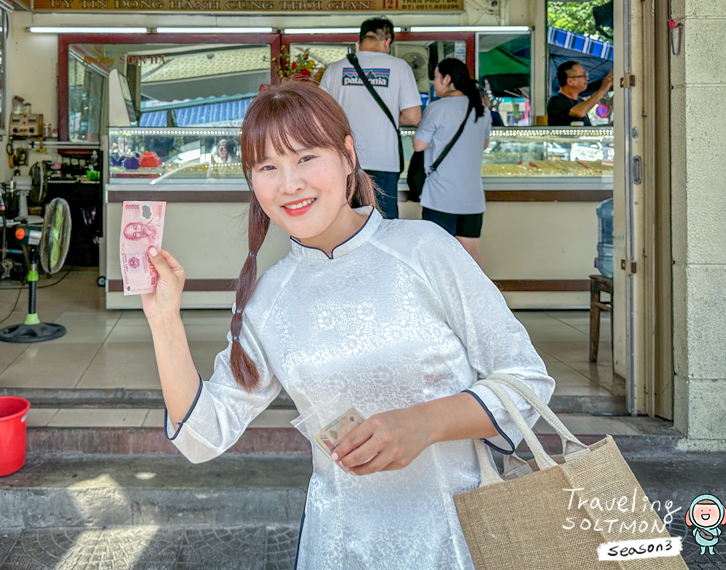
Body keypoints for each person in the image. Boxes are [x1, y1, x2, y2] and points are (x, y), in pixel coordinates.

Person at [141, 82, 554, 569]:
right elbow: (202, 436)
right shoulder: (268, 299)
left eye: (306, 157)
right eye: (267, 167)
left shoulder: (424, 249)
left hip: (457, 540)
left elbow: (528, 383)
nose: (289, 184)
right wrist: (164, 319)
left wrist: (424, 423)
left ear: (348, 154)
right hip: (338, 547)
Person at [319, 17, 421, 219]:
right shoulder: (400, 68)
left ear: (360, 41)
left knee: (345, 222)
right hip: (384, 161)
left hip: (345, 161)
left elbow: (320, 115)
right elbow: (413, 116)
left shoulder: (335, 69)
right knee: (383, 226)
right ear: (387, 42)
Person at [413, 59, 491, 269]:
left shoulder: (437, 108)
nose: (434, 83)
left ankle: (441, 300)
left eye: (436, 77)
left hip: (440, 196)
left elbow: (419, 145)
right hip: (472, 198)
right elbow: (484, 144)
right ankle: (477, 299)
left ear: (447, 79)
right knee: (471, 250)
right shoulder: (481, 109)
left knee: (438, 253)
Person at [547, 61, 613, 126]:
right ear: (570, 81)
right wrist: (602, 90)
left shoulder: (580, 101)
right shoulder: (556, 101)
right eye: (583, 76)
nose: (587, 78)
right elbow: (578, 113)